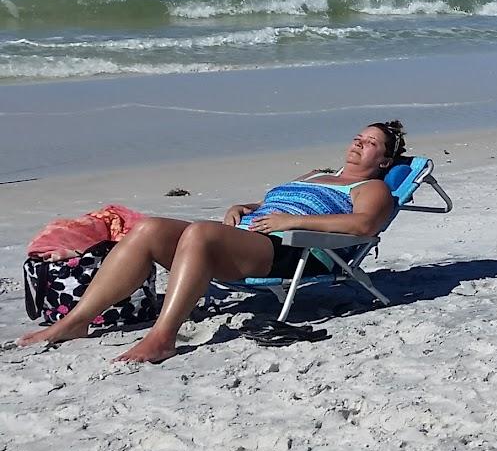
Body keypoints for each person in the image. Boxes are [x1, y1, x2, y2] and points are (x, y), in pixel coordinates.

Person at [15, 121, 409, 363]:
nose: (358, 144)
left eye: (370, 143)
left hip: (296, 249)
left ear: (385, 160)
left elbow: (362, 225)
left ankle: (163, 336)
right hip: (249, 238)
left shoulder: (371, 187)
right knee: (149, 228)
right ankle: (74, 323)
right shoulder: (316, 175)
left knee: (199, 232)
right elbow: (276, 201)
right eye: (358, 137)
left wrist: (294, 220)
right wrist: (247, 205)